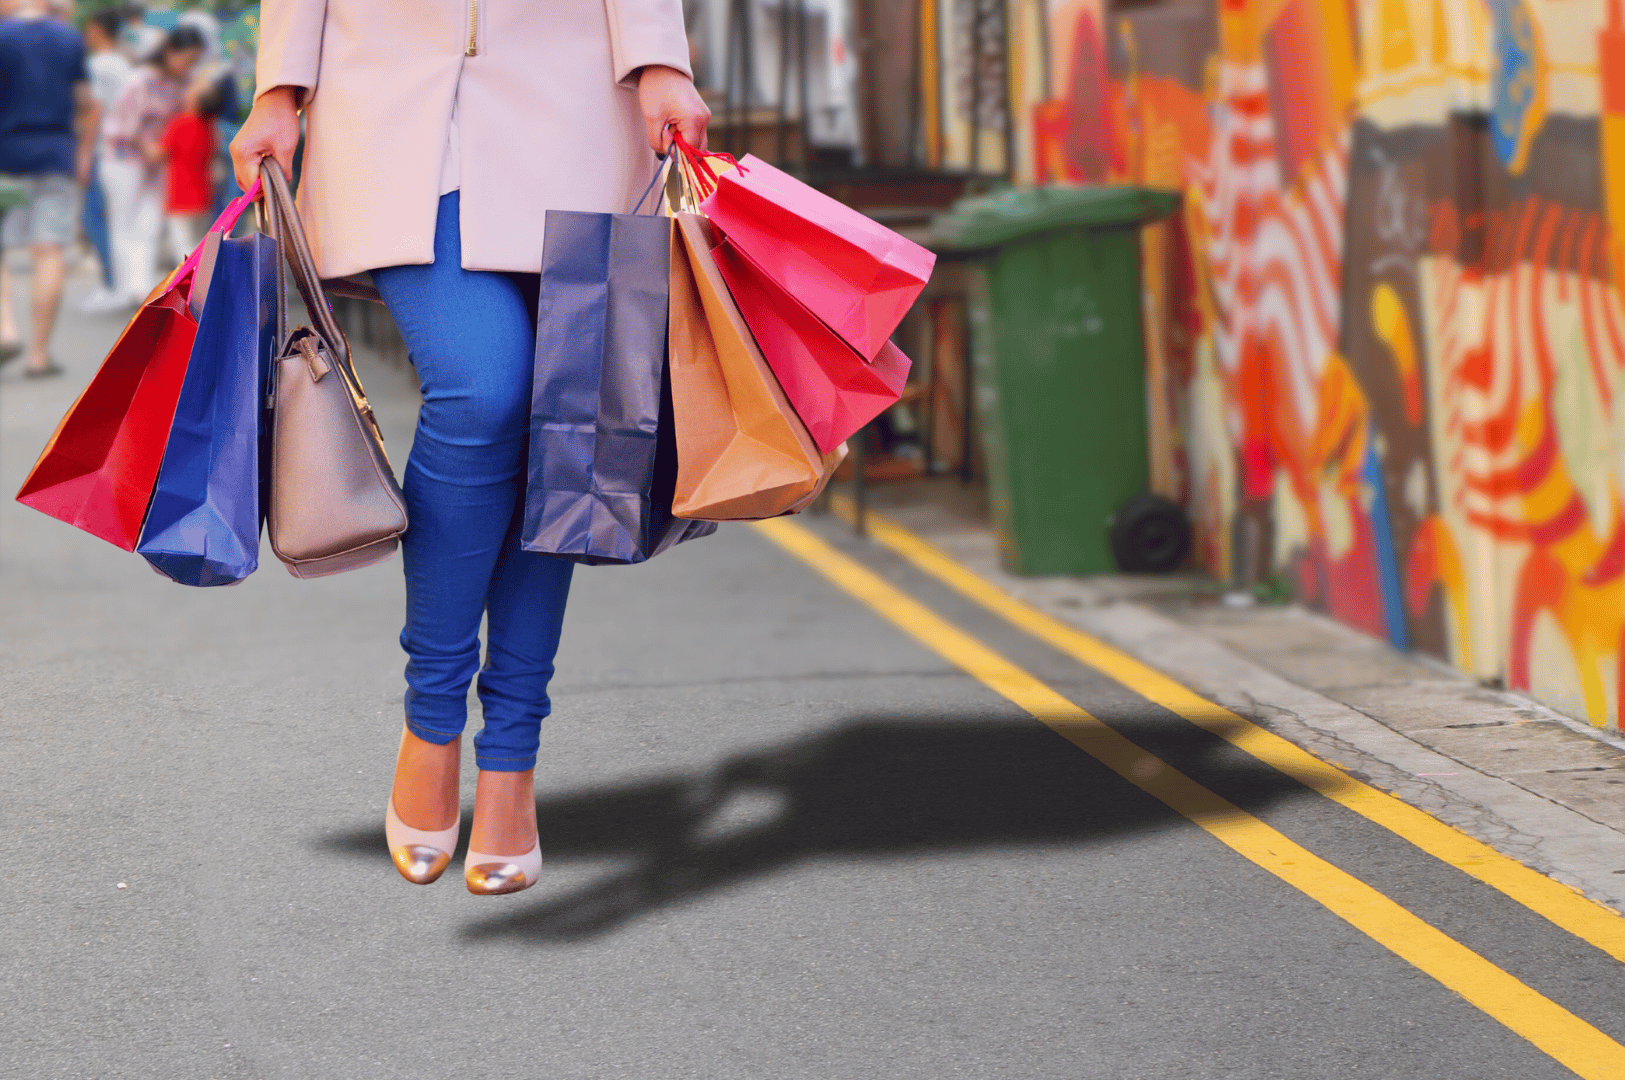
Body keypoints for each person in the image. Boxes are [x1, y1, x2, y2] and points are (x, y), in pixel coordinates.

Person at [232, 0, 709, 895]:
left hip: (571, 106)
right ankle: (432, 716)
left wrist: (659, 61)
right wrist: (279, 89)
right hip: (390, 104)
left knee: (558, 413)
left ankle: (513, 757)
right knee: (484, 389)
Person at [0, 0, 98, 378]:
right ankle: (38, 355)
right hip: (56, 154)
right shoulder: (68, 37)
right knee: (49, 249)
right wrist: (84, 152)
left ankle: (5, 329)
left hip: (6, 157)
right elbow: (85, 102)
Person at [100, 24, 203, 306]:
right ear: (170, 52)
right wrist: (150, 149)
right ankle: (130, 288)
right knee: (125, 223)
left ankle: (142, 288)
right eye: (187, 59)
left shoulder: (177, 84)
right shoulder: (140, 80)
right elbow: (124, 124)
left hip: (154, 161)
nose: (189, 66)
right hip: (125, 160)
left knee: (149, 223)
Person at [79, 7, 133, 311]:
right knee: (115, 220)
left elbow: (95, 110)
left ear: (98, 29)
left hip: (104, 151)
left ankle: (111, 284)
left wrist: (84, 154)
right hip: (122, 152)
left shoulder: (98, 64)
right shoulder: (122, 63)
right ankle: (118, 284)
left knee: (95, 218)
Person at [155, 77, 219, 261]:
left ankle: (193, 286)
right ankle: (204, 281)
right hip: (203, 196)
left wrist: (138, 140)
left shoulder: (179, 123)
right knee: (199, 245)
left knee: (183, 246)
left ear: (195, 101)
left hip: (180, 197)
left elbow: (157, 154)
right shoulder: (210, 128)